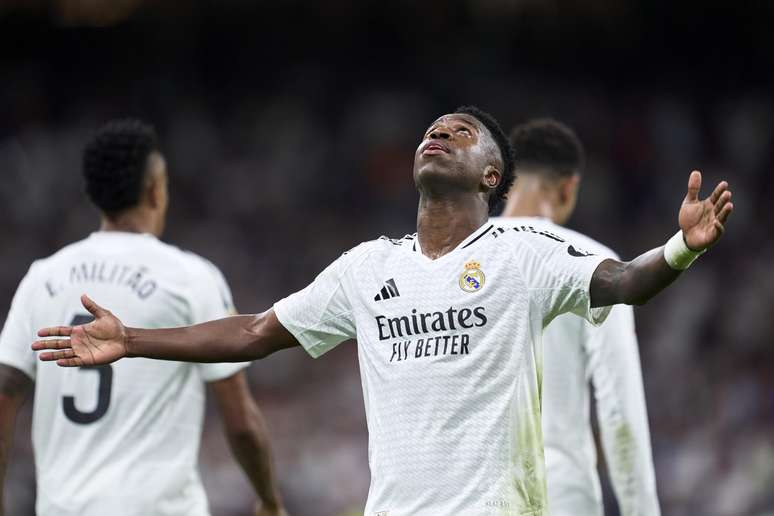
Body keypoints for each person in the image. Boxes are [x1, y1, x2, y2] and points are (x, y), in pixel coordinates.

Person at [33, 107, 733, 516]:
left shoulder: (525, 252)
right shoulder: (370, 267)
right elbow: (252, 332)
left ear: (494, 176)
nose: (439, 135)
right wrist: (132, 339)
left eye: (460, 133)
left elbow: (620, 282)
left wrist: (679, 248)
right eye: (432, 131)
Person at [0, 119, 285, 516]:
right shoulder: (191, 277)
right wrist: (269, 499)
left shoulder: (42, 277)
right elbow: (240, 422)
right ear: (155, 190)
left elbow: (5, 392)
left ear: (94, 195)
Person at [492, 118, 660, 515]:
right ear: (570, 188)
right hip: (558, 494)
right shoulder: (593, 264)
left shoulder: (452, 262)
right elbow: (620, 408)